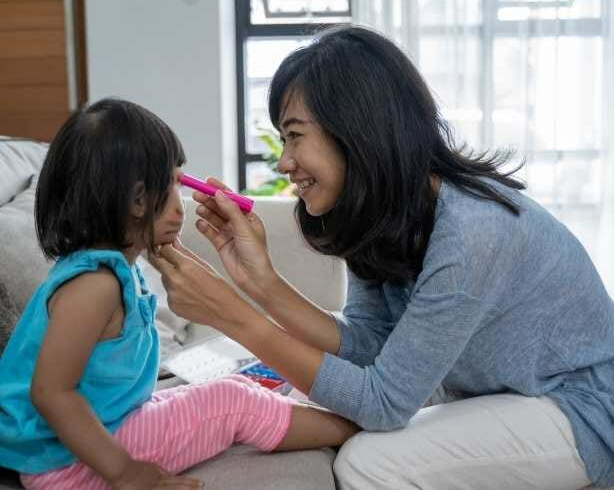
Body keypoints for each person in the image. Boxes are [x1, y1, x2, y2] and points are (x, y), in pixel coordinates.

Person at [149, 26, 614, 489]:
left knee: (369, 462)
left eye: (295, 135)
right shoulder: (379, 213)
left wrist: (235, 317)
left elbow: (383, 404)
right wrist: (261, 285)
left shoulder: (472, 233)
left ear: (358, 129)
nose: (284, 162)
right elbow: (370, 344)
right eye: (283, 139)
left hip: (586, 411)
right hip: (506, 390)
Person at [0, 99, 358, 490]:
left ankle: (338, 418)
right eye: (174, 185)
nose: (181, 203)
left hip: (100, 427)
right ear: (139, 200)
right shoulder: (94, 285)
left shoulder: (113, 267)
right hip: (65, 463)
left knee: (240, 385)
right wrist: (127, 473)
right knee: (231, 403)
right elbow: (51, 394)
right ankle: (356, 427)